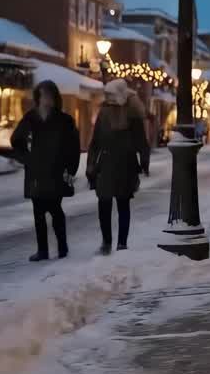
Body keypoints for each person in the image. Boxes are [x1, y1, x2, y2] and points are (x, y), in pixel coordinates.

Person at [11, 80, 80, 262]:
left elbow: (73, 147)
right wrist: (27, 159)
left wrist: (71, 170)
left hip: (57, 172)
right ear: (38, 98)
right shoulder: (31, 118)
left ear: (55, 98)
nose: (47, 100)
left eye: (50, 96)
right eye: (44, 96)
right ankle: (42, 250)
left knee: (55, 209)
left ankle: (62, 247)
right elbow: (16, 140)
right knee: (38, 211)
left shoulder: (64, 120)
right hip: (37, 172)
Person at [86, 80, 150, 254]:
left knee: (123, 203)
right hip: (106, 164)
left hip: (125, 164)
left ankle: (122, 243)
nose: (109, 99)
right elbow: (95, 142)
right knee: (104, 203)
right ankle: (106, 242)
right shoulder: (104, 112)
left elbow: (141, 140)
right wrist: (90, 164)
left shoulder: (132, 112)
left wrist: (144, 160)